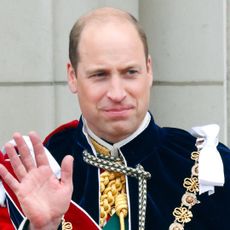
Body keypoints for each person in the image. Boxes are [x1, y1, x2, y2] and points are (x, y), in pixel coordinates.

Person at [0, 7, 230, 230]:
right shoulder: (38, 170)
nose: (117, 93)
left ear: (148, 70)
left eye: (130, 72)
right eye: (100, 75)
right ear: (72, 76)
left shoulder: (211, 167)